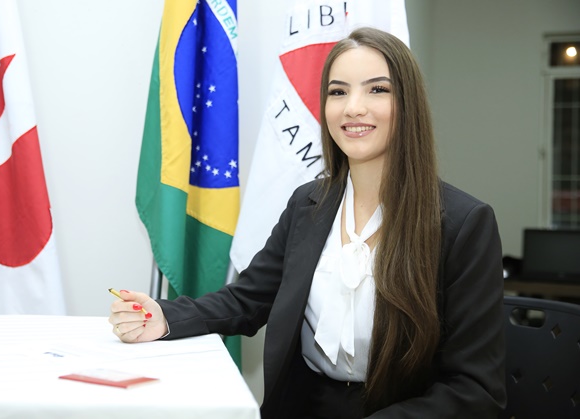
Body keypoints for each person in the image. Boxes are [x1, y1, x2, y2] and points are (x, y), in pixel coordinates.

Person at [109, 27, 506, 418]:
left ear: (409, 104)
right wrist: (164, 318)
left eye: (377, 89)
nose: (353, 107)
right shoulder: (308, 204)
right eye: (338, 92)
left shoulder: (464, 224)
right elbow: (247, 299)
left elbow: (475, 389)